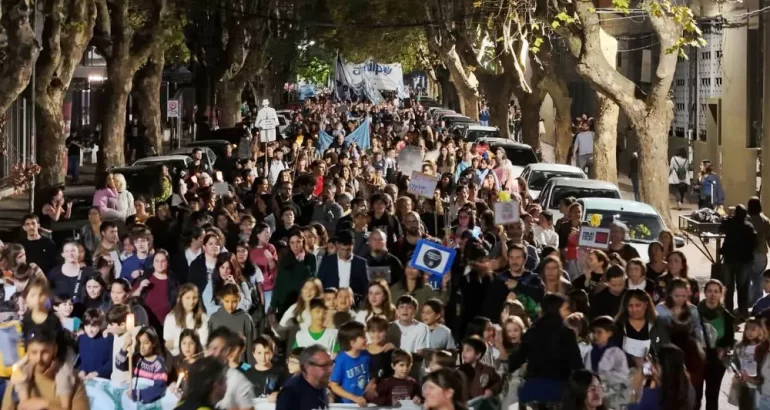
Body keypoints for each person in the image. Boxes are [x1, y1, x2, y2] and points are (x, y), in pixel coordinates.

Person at [510, 293, 583, 406]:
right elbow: (576, 363)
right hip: (558, 391)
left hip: (532, 390)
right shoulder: (567, 334)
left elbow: (518, 359)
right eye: (565, 309)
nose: (569, 312)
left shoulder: (532, 331)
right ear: (555, 310)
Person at [3, 326, 90, 410]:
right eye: (34, 352)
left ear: (54, 350)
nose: (39, 359)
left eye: (44, 352)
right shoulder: (18, 379)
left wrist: (46, 404)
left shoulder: (71, 379)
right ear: (27, 353)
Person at [697, 280, 735, 410]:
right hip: (697, 359)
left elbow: (730, 340)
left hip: (716, 362)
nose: (712, 295)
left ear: (721, 294)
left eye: (716, 291)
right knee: (695, 396)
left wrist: (724, 350)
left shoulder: (727, 316)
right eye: (709, 291)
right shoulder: (695, 312)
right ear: (705, 293)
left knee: (712, 396)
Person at [628, 344, 694, 410]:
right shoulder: (689, 390)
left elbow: (630, 407)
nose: (652, 366)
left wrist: (636, 386)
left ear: (665, 370)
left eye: (656, 363)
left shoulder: (650, 397)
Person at [720, 204, 758, 319]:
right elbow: (754, 243)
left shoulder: (730, 223)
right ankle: (743, 312)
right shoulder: (749, 226)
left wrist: (727, 218)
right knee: (742, 288)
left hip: (729, 259)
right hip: (744, 261)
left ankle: (729, 311)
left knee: (729, 287)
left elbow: (721, 229)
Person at [583, 316, 629, 409]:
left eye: (599, 332)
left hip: (613, 396)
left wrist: (601, 376)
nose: (595, 335)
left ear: (610, 333)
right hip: (594, 396)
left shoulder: (616, 353)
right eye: (594, 332)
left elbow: (623, 376)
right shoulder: (589, 352)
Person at [116, 327, 168, 403]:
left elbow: (159, 388)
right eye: (139, 342)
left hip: (147, 402)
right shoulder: (137, 359)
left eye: (146, 343)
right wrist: (125, 346)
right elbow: (119, 364)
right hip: (132, 400)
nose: (142, 347)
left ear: (153, 343)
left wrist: (139, 394)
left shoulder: (158, 363)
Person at [271, 230, 317, 317]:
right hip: (284, 302)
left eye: (298, 242)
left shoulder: (310, 258)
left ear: (303, 241)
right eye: (292, 242)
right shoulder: (285, 258)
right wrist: (273, 305)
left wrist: (301, 263)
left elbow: (310, 280)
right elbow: (279, 282)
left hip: (302, 302)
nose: (295, 246)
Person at [207, 283, 255, 364]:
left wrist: (248, 369)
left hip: (240, 365)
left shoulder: (246, 319)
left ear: (239, 299)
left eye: (234, 301)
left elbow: (250, 348)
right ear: (221, 299)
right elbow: (210, 346)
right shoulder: (214, 319)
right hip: (219, 366)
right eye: (227, 301)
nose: (230, 305)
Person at [276, 345, 334, 410]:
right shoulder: (291, 392)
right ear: (309, 367)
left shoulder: (320, 386)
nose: (330, 370)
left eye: (330, 364)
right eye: (324, 365)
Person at [317, 230, 369, 299]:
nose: (345, 253)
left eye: (348, 250)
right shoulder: (327, 261)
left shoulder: (361, 263)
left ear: (353, 246)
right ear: (337, 245)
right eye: (342, 249)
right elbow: (320, 284)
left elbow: (365, 287)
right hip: (331, 303)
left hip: (353, 303)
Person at [329, 321, 370, 405]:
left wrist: (372, 385)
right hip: (348, 405)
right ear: (352, 342)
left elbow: (372, 374)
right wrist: (354, 398)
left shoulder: (366, 355)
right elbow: (334, 386)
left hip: (366, 403)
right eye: (363, 337)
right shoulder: (341, 360)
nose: (366, 339)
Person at [164, 283, 209, 356]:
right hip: (176, 358)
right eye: (188, 298)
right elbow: (169, 344)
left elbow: (203, 341)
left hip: (197, 357)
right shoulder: (171, 318)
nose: (191, 302)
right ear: (180, 298)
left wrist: (177, 342)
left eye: (194, 298)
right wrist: (192, 342)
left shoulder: (203, 317)